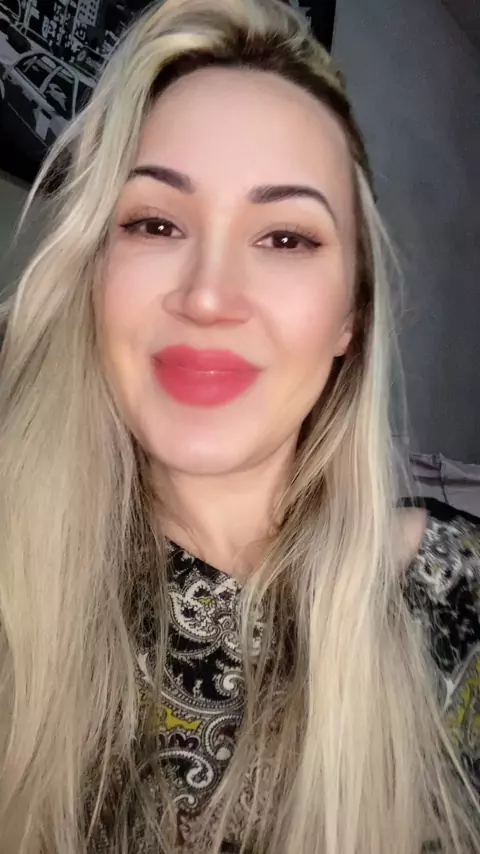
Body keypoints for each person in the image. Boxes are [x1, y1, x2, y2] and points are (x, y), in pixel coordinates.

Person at [0, 0, 478, 852]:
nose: (208, 296)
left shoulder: (461, 598)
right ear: (94, 274)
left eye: (286, 238)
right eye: (154, 223)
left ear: (351, 319)